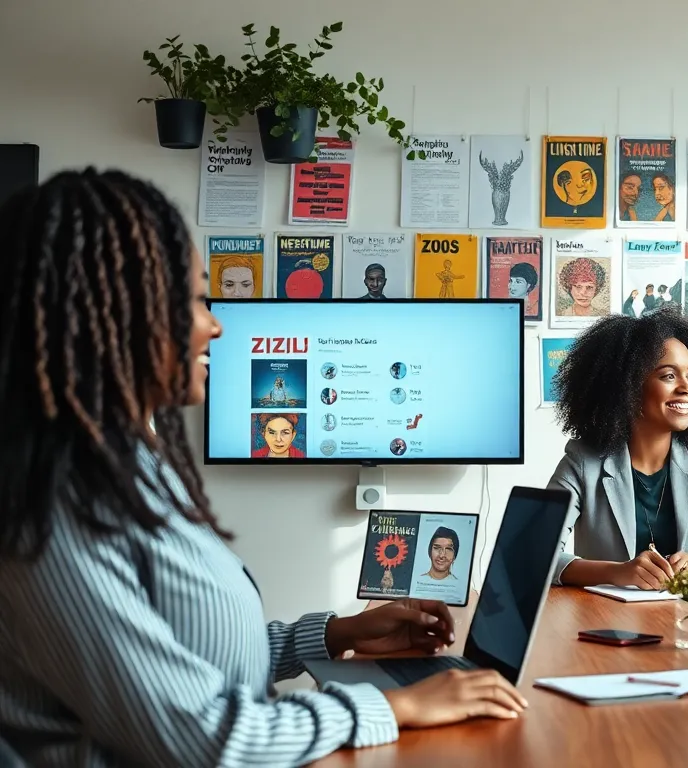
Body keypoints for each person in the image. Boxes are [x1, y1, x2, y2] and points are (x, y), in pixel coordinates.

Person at [0, 170, 527, 767]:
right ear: (111, 311)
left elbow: (191, 661)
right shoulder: (52, 506)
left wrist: (336, 634)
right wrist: (396, 706)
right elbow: (202, 736)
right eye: (194, 300)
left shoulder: (130, 467)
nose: (215, 324)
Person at [546, 309, 688, 589]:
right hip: (606, 614)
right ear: (627, 386)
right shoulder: (583, 461)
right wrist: (617, 572)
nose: (687, 388)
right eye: (668, 376)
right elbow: (535, 555)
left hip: (686, 612)